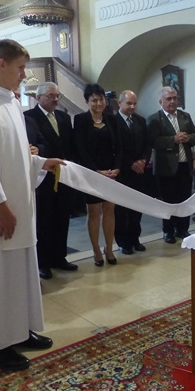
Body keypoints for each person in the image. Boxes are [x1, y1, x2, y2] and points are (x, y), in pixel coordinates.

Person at [0, 39, 65, 371]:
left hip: (16, 206)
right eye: (20, 68)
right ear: (1, 64)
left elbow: (14, 156)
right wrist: (1, 207)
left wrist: (42, 163)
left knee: (18, 274)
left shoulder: (10, 103)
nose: (24, 75)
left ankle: (18, 331)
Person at [24, 82, 78, 279]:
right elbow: (33, 145)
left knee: (62, 217)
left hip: (63, 174)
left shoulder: (63, 117)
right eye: (51, 96)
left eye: (57, 96)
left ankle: (59, 257)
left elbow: (69, 145)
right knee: (44, 220)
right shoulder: (29, 117)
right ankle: (43, 262)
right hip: (43, 176)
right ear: (38, 98)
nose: (55, 99)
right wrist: (40, 152)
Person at [73, 83, 122, 266]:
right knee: (94, 212)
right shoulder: (80, 120)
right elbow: (80, 149)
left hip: (111, 172)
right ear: (87, 102)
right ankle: (96, 250)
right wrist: (96, 171)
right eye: (94, 100)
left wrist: (117, 168)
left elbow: (119, 147)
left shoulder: (112, 119)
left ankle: (109, 248)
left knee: (110, 210)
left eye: (101, 99)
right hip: (91, 172)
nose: (98, 103)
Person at [148, 86, 195, 244]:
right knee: (168, 201)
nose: (172, 101)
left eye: (175, 98)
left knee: (184, 198)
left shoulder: (185, 116)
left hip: (184, 165)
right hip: (166, 167)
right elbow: (152, 141)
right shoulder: (154, 119)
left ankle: (182, 229)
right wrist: (173, 140)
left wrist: (188, 138)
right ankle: (168, 231)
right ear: (161, 101)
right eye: (168, 99)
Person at [114, 90, 152, 254]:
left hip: (140, 171)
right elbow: (117, 147)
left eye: (134, 103)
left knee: (137, 206)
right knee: (122, 209)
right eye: (129, 103)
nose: (132, 107)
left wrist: (143, 160)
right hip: (123, 171)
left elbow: (147, 143)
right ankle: (123, 242)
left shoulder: (140, 120)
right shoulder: (113, 121)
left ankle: (135, 238)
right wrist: (131, 163)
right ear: (119, 103)